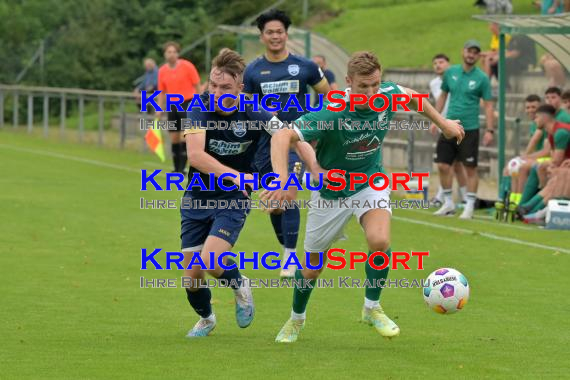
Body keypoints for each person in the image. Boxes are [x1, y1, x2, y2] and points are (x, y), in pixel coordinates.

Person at [264, 51, 464, 343]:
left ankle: (372, 308)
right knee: (311, 268)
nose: (371, 93)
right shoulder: (333, 109)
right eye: (363, 87)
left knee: (380, 240)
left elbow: (411, 97)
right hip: (331, 191)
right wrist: (282, 181)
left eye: (376, 85)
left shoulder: (386, 93)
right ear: (348, 82)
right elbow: (282, 136)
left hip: (370, 181)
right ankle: (296, 319)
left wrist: (443, 123)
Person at [180, 48, 318, 338]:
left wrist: (315, 167)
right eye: (213, 85)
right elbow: (195, 156)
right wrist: (241, 176)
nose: (217, 92)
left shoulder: (253, 109)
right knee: (192, 277)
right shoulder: (198, 106)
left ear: (240, 88)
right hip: (197, 196)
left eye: (225, 87)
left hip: (233, 198)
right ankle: (206, 319)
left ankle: (240, 285)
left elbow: (290, 135)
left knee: (212, 261)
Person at [243, 9, 330, 278]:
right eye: (270, 32)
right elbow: (245, 106)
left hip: (295, 141)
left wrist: (318, 126)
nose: (275, 36)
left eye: (279, 31)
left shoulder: (304, 66)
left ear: (286, 34)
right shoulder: (253, 70)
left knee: (289, 192)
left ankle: (290, 257)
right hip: (264, 145)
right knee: (275, 202)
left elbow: (330, 97)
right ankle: (286, 244)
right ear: (262, 36)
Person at [433, 40, 495, 219]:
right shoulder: (451, 72)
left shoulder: (482, 78)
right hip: (449, 126)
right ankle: (448, 203)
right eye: (469, 51)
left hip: (470, 128)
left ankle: (469, 206)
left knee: (470, 168)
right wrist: (435, 118)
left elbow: (489, 106)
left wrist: (490, 130)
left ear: (477, 56)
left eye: (475, 52)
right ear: (463, 52)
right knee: (443, 165)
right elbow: (443, 95)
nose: (471, 55)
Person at [513, 87, 570, 210]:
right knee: (539, 168)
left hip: (565, 166)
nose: (534, 120)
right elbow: (555, 157)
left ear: (544, 118)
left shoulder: (560, 131)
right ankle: (523, 206)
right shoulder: (551, 133)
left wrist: (550, 165)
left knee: (554, 174)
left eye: (537, 117)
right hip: (564, 164)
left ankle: (531, 210)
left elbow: (557, 160)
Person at [429, 53, 468, 206]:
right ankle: (462, 198)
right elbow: (440, 101)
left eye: (441, 62)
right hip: (443, 126)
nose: (438, 65)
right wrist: (436, 120)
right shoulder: (433, 83)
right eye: (435, 63)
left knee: (448, 163)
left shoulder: (456, 78)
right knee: (452, 164)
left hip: (455, 124)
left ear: (448, 64)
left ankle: (443, 198)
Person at [157, 41, 201, 174]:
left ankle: (183, 168)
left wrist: (199, 104)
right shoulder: (162, 71)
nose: (172, 54)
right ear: (165, 54)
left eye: (174, 52)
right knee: (174, 138)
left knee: (185, 136)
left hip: (187, 103)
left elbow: (197, 85)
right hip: (173, 105)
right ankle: (176, 168)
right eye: (169, 52)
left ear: (178, 53)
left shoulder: (187, 66)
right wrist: (159, 109)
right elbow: (162, 92)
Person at [495, 94, 542, 219]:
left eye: (534, 107)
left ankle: (517, 206)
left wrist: (525, 157)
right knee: (508, 169)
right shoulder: (534, 123)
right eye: (528, 107)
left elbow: (543, 148)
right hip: (536, 157)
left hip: (542, 159)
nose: (531, 110)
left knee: (519, 168)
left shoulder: (542, 122)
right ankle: (506, 202)